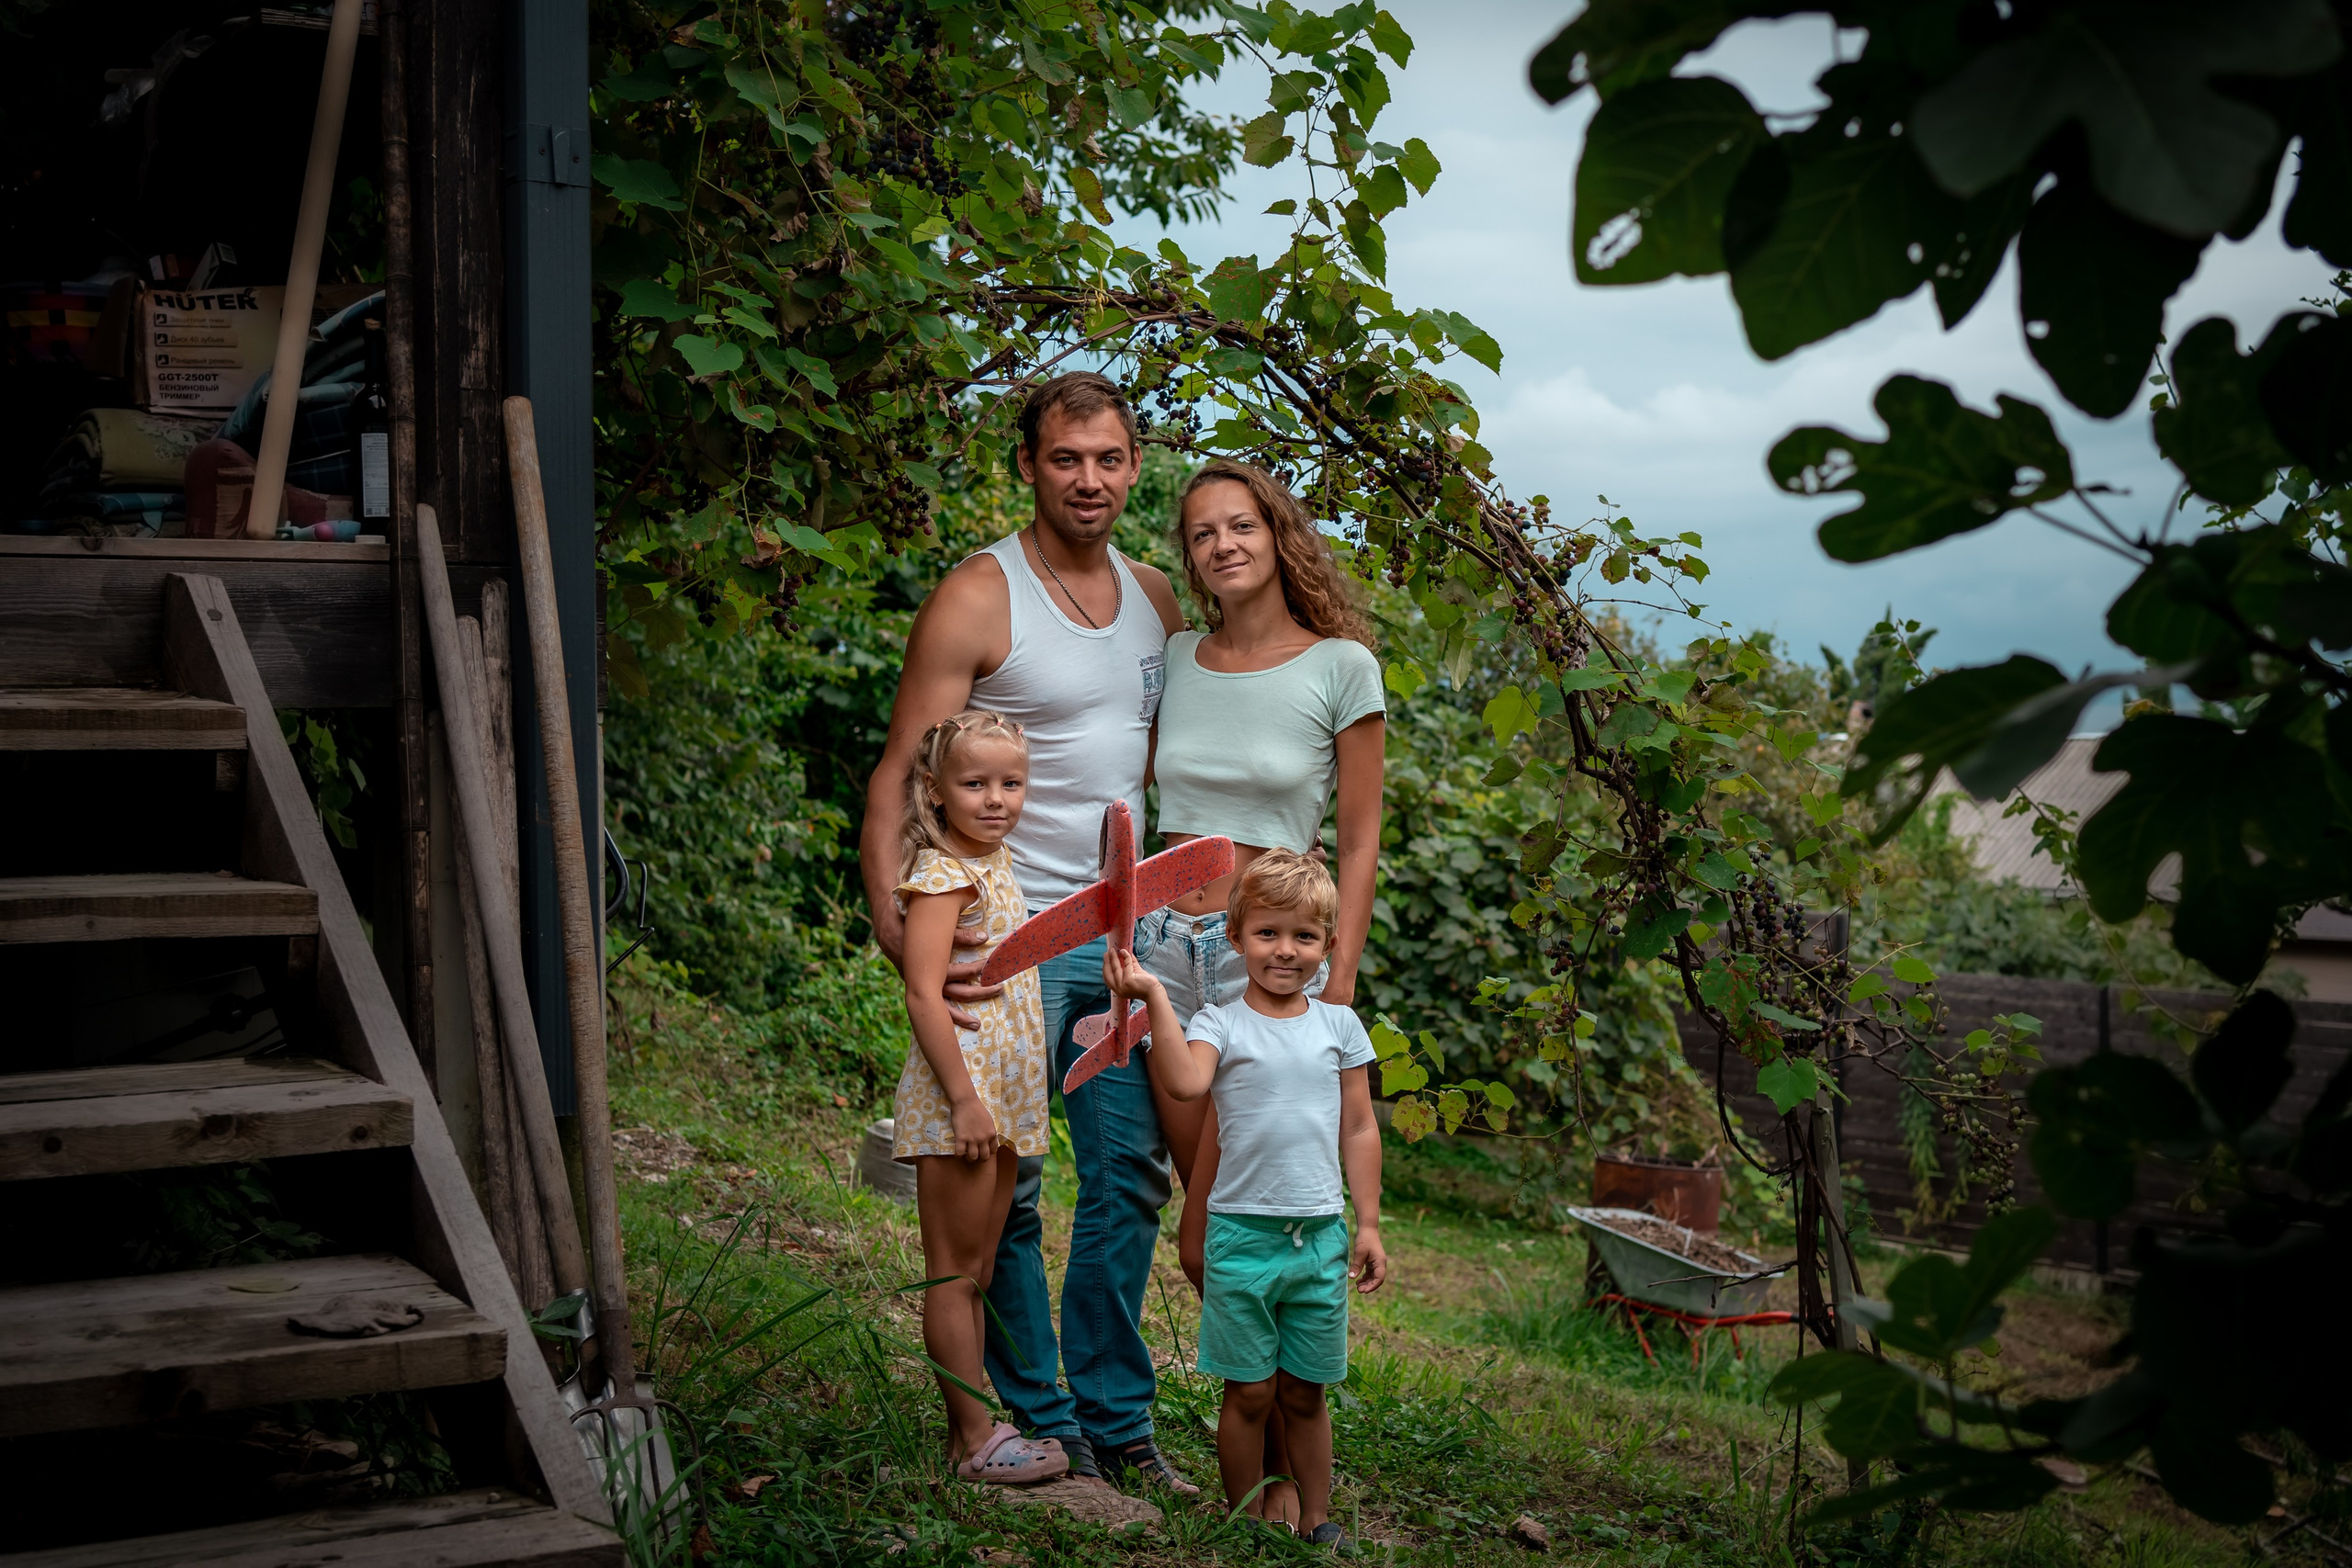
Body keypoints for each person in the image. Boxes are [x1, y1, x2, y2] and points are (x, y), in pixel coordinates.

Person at [860, 372, 1195, 1492]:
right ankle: (1036, 1416)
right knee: (1003, 1190)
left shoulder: (1157, 596)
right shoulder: (979, 595)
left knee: (1129, 1175)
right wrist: (892, 920)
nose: (1088, 480)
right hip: (1000, 942)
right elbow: (903, 768)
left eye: (1107, 459)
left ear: (1135, 465)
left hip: (1121, 937)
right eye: (1065, 459)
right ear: (1028, 467)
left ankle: (1115, 1420)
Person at [1137, 457, 1385, 1525]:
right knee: (1208, 1230)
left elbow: (1364, 841)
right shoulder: (1176, 657)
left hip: (1272, 953)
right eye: (1200, 534)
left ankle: (1292, 1462)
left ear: (1278, 534)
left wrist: (1338, 976)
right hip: (1167, 944)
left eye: (1240, 525)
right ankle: (1268, 1441)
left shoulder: (1341, 665)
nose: (1221, 546)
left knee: (1236, 1222)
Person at [1106, 850, 1387, 1549]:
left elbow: (1359, 1126)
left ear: (1326, 946)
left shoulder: (1340, 1027)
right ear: (1235, 936)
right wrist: (1156, 997)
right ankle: (1246, 1515)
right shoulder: (1221, 1024)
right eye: (1267, 933)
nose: (1284, 950)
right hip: (1240, 1236)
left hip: (1318, 1236)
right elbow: (1183, 1083)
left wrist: (1370, 1224)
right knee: (1251, 1391)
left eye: (1303, 936)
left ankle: (1320, 1517)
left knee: (1304, 1390)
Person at [888, 709, 1067, 1484]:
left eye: (1011, 782)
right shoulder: (941, 874)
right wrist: (964, 1099)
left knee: (982, 1267)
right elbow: (925, 993)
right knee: (954, 1272)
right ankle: (972, 1438)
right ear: (935, 787)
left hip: (1000, 1099)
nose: (996, 798)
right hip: (965, 1098)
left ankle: (980, 1420)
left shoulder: (997, 862)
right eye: (974, 782)